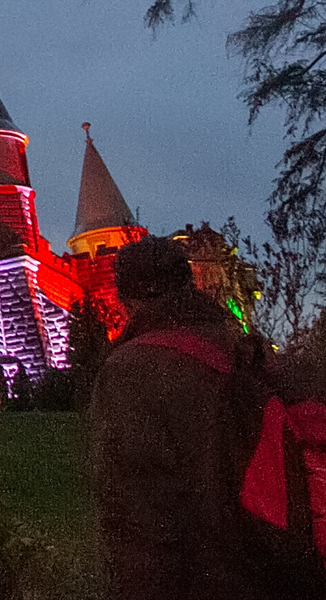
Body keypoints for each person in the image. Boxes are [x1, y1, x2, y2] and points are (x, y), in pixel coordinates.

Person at [88, 237, 324, 600]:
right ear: (188, 283)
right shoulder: (248, 348)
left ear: (125, 298)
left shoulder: (128, 372)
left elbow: (140, 520)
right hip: (292, 568)